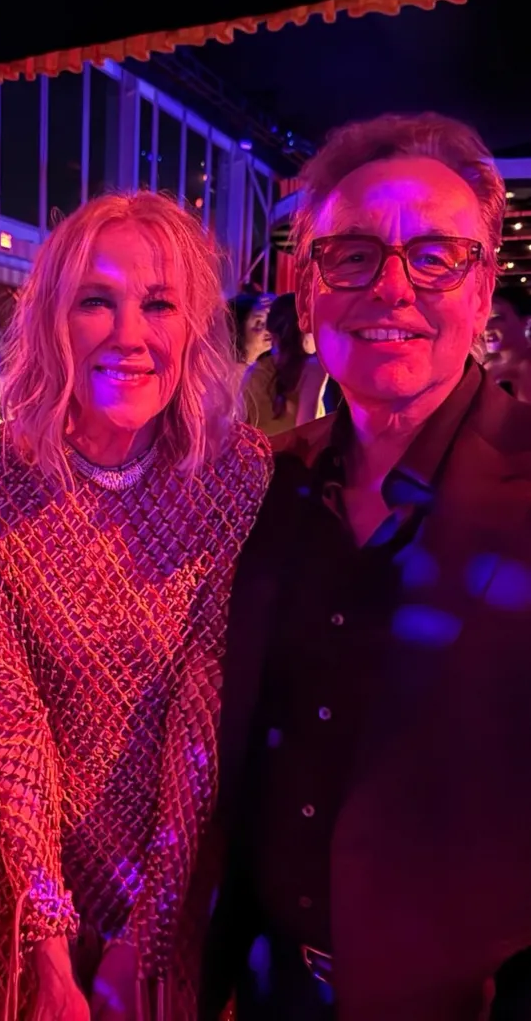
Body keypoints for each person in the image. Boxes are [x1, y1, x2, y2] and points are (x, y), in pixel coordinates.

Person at [204, 112, 531, 1021]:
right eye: (352, 256)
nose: (392, 288)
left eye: (435, 257)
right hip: (266, 992)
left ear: (482, 289)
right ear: (306, 295)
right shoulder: (262, 486)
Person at [0, 191, 272, 1021]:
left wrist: (145, 935)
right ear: (52, 317)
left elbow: (201, 721)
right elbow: (9, 722)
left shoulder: (236, 476)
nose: (129, 333)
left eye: (158, 303)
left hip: (179, 876)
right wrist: (48, 944)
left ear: (192, 324)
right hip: (16, 885)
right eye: (96, 300)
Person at [241, 292, 327, 434]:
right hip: (292, 454)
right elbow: (308, 431)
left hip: (260, 454)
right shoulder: (314, 367)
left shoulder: (254, 372)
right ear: (305, 330)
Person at [484, 285, 531, 401]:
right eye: (485, 318)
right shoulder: (487, 364)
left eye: (497, 318)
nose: (486, 327)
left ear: (526, 322)